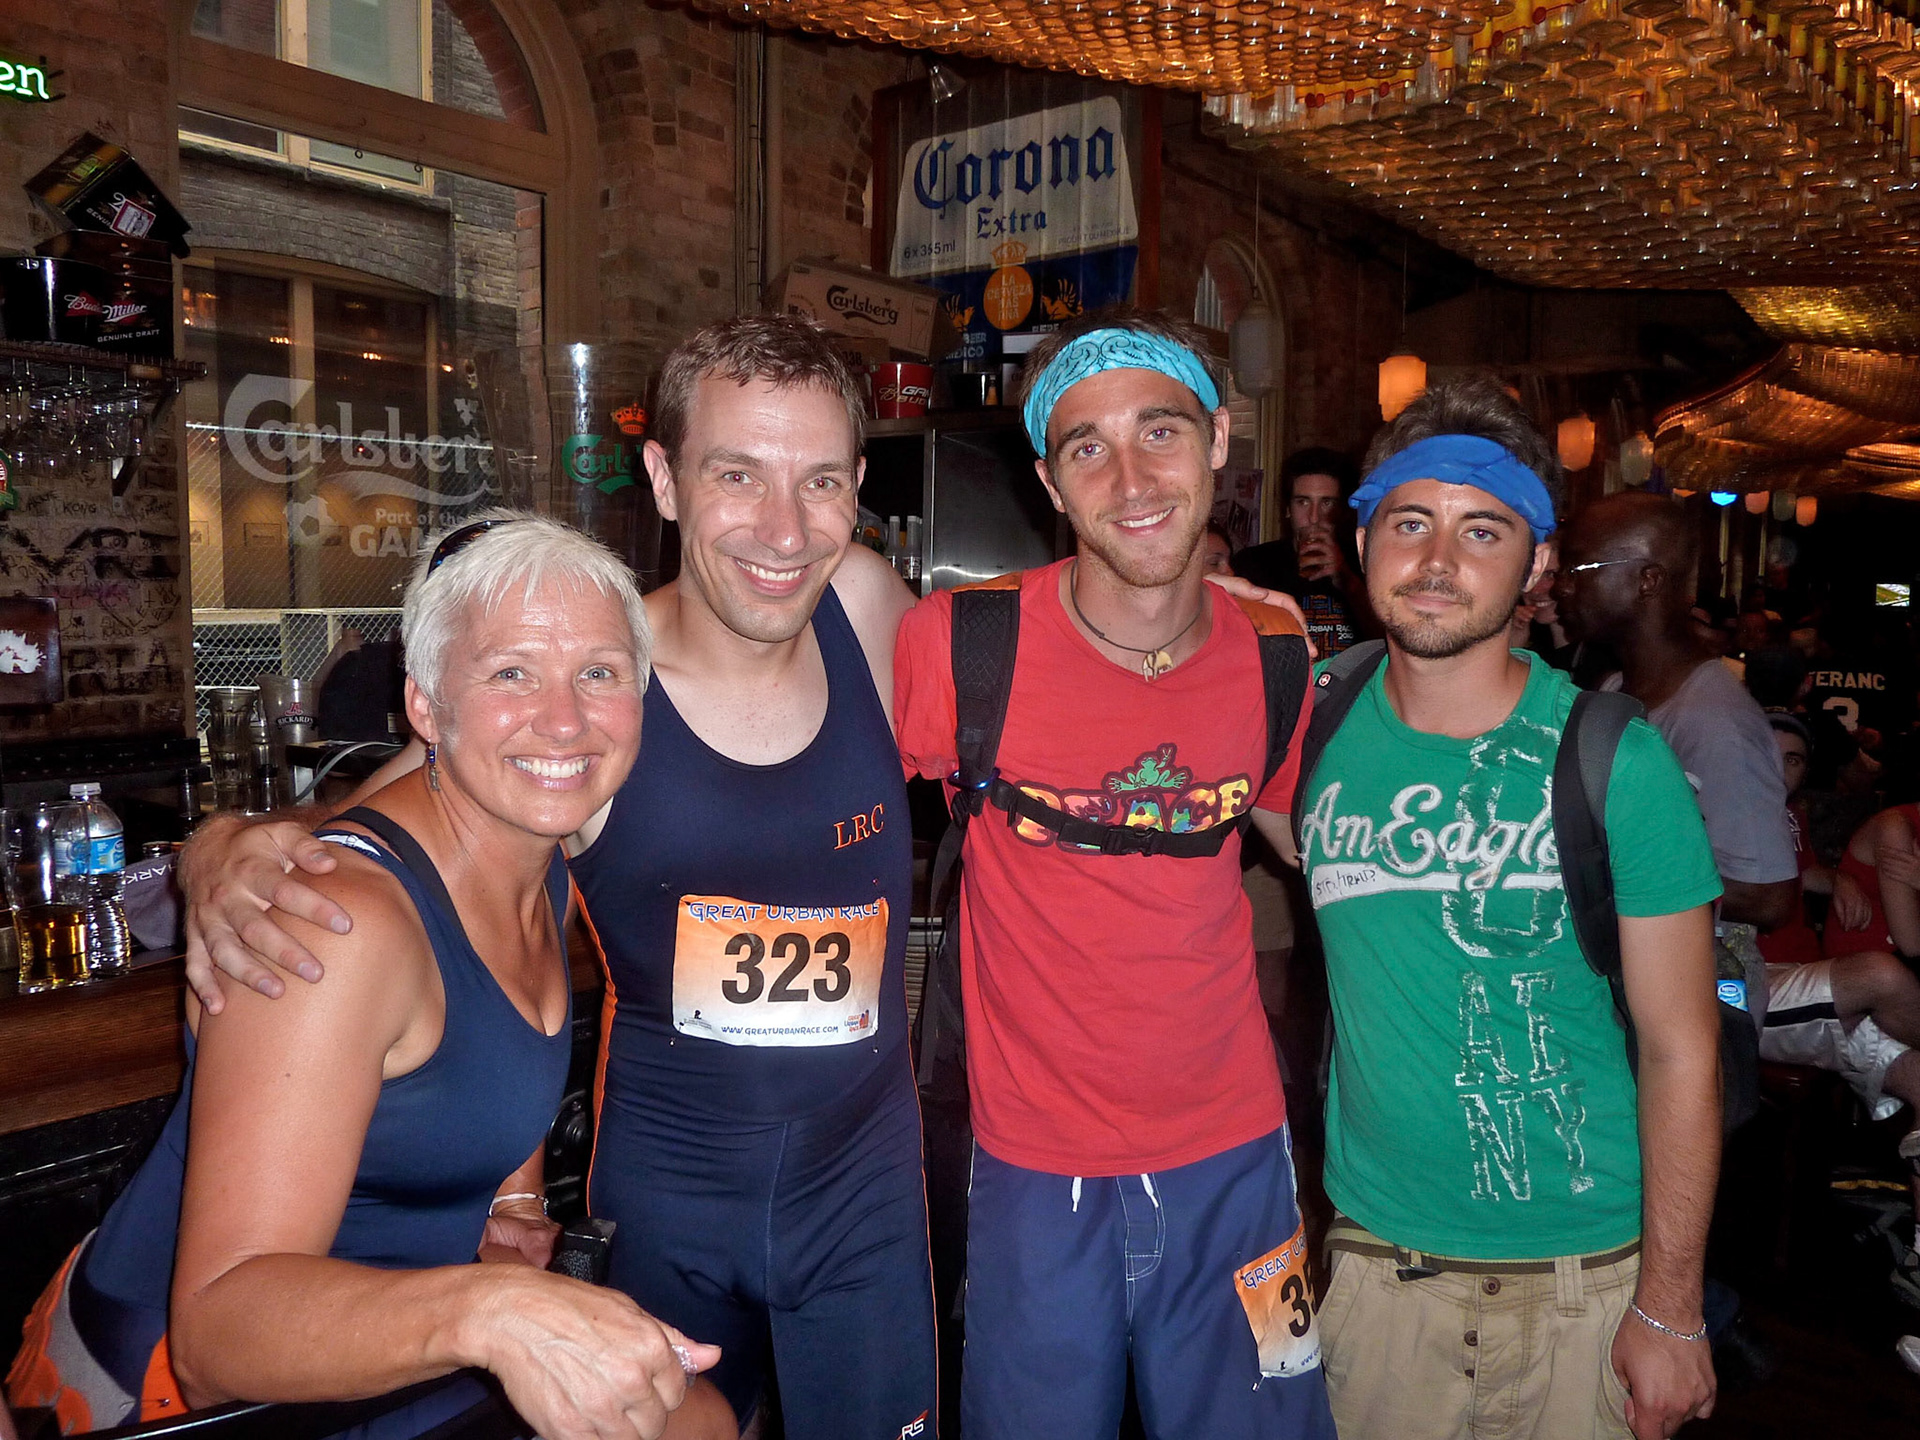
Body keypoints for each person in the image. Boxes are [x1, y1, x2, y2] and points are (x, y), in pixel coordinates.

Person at [174, 317, 937, 1440]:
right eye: (738, 475)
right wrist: (218, 845)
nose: (784, 528)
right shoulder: (592, 704)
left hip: (866, 1191)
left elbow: (1044, 712)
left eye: (819, 481)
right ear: (665, 480)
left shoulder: (869, 606)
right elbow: (372, 825)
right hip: (668, 1197)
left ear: (857, 488)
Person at [6, 513, 732, 1440]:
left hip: (382, 1353)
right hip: (184, 1399)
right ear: (426, 705)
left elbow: (492, 1039)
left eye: (600, 672)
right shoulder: (339, 925)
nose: (566, 717)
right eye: (512, 672)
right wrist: (492, 1312)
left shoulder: (536, 852)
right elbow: (218, 1326)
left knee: (700, 1417)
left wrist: (511, 1200)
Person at [894, 307, 1333, 1440]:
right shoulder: (958, 647)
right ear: (1049, 479)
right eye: (1087, 445)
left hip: (1240, 1162)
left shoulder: (1279, 654)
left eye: (1162, 432)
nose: (1131, 477)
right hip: (1033, 1172)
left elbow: (1327, 859)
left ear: (1220, 440)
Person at [1299, 378, 1723, 1440]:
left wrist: (1670, 1308)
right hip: (1377, 1280)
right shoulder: (1309, 729)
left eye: (1481, 530)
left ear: (1536, 564)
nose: (1437, 562)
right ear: (1362, 542)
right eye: (1410, 522)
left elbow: (1683, 1049)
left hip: (1584, 1285)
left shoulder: (1616, 758)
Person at [1555, 492, 1800, 1000]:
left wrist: (1602, 873)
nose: (1563, 585)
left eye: (1581, 568)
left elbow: (1769, 895)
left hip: (1701, 986)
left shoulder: (1715, 721)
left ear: (1649, 580)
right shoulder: (1613, 693)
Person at [1752, 714, 1920, 1301]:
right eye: (1770, 753)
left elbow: (1798, 876)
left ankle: (1918, 1263)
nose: (1782, 767)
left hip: (1810, 989)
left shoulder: (1787, 816)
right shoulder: (1711, 809)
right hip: (1733, 990)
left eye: (1796, 759)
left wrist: (1835, 879)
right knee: (1880, 974)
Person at [1233, 446, 1369, 656]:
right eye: (1303, 502)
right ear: (1287, 509)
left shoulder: (1363, 562)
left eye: (1327, 502)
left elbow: (1385, 638)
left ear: (1342, 511)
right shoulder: (1253, 564)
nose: (1314, 517)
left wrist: (1345, 578)